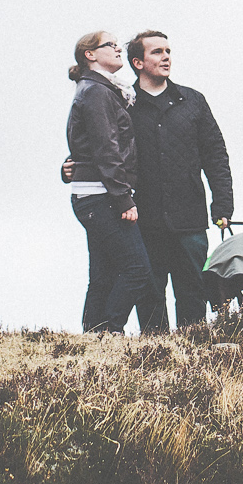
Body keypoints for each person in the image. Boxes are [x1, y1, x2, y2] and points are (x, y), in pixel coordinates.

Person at [123, 30, 234, 330]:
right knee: (149, 296)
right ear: (138, 62)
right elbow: (102, 149)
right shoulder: (124, 105)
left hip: (190, 220)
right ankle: (155, 363)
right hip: (144, 221)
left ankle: (191, 363)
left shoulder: (193, 101)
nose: (166, 57)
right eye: (157, 52)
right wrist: (72, 167)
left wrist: (223, 203)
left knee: (193, 294)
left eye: (168, 51)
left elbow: (215, 155)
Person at [64, 30, 158, 333]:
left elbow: (87, 143)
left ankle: (92, 336)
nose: (118, 49)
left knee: (103, 273)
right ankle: (110, 330)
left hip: (93, 193)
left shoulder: (100, 89)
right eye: (110, 45)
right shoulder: (96, 91)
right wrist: (123, 198)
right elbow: (106, 147)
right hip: (102, 196)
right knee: (137, 270)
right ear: (90, 55)